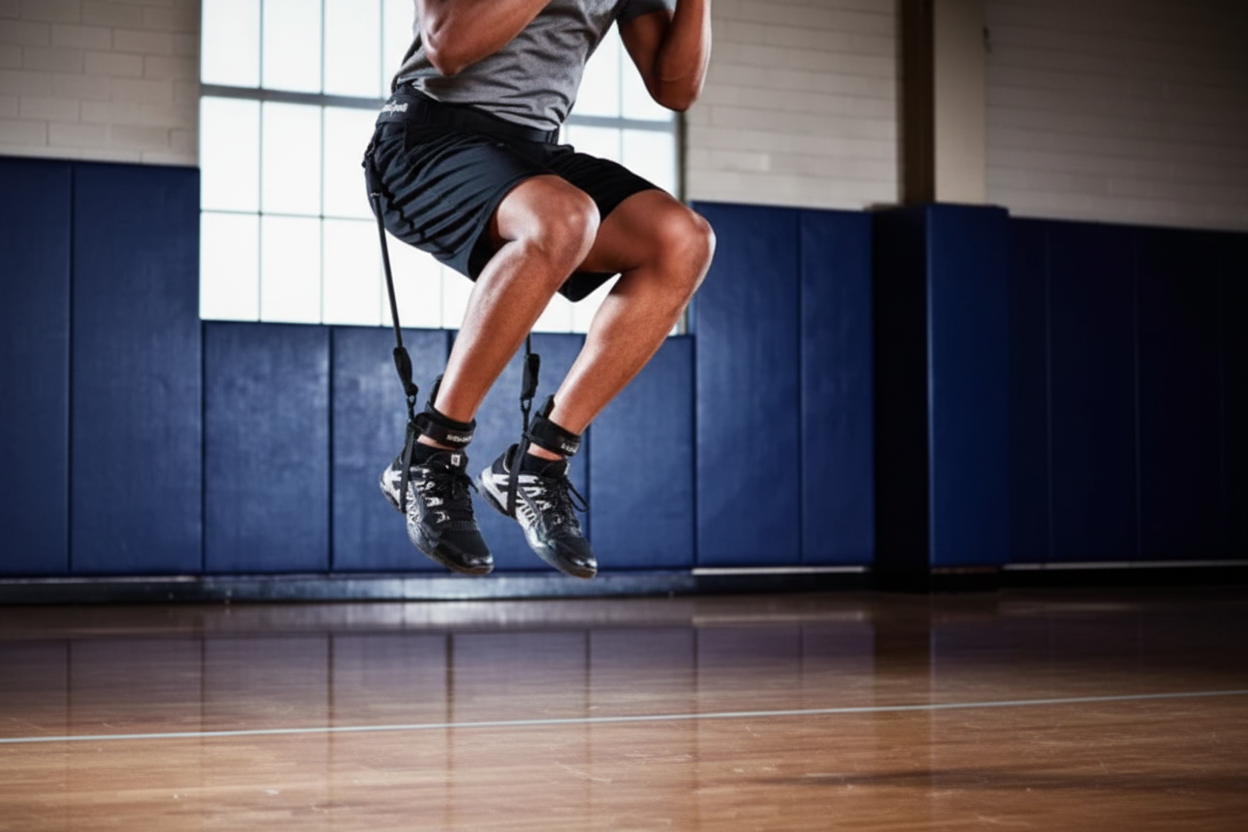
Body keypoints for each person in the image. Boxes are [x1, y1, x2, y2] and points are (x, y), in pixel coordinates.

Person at [365, 0, 714, 579]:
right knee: (565, 217)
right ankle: (429, 455)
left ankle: (538, 462)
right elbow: (447, 44)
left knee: (683, 240)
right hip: (423, 138)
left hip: (530, 151)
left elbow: (674, 90)